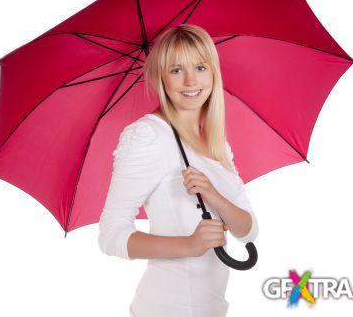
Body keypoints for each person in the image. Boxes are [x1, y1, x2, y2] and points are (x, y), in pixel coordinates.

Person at [98, 24, 259, 317]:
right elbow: (111, 235)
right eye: (175, 70)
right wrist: (189, 244)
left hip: (211, 309)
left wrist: (214, 196)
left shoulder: (214, 140)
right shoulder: (148, 135)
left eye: (200, 67)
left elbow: (249, 231)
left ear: (213, 72)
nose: (190, 80)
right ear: (161, 78)